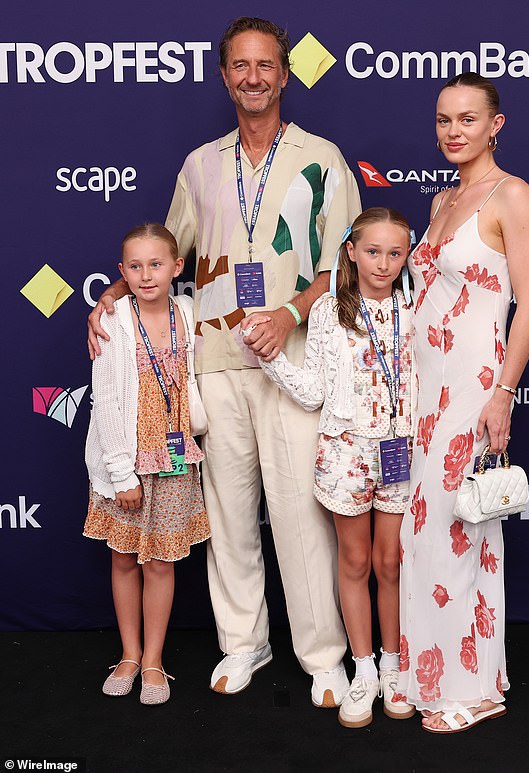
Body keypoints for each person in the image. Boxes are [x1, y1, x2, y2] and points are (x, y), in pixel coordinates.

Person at [87, 17, 360, 706]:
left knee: (301, 514)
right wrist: (112, 294)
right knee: (231, 516)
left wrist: (290, 313)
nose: (253, 76)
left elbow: (346, 265)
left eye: (265, 64)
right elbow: (166, 247)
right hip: (213, 360)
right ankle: (244, 641)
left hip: (297, 361)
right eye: (240, 65)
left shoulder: (323, 158)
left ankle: (323, 655)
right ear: (224, 76)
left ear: (284, 75)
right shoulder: (200, 164)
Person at [397, 72, 529, 733]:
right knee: (421, 530)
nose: (452, 131)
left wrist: (503, 392)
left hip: (473, 384)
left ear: (496, 124)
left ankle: (474, 686)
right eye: (441, 120)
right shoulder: (441, 200)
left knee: (460, 530)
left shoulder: (512, 195)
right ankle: (426, 669)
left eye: (466, 119)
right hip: (425, 388)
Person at [257, 208, 416, 728]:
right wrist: (269, 357)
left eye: (396, 253)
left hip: (399, 451)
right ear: (350, 251)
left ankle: (394, 669)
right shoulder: (328, 311)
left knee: (390, 562)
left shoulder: (415, 307)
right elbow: (313, 392)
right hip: (345, 454)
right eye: (373, 251)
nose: (384, 263)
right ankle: (364, 670)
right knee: (355, 561)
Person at [84, 224, 210, 705]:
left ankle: (154, 659)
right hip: (126, 463)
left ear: (177, 268)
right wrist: (121, 474)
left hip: (175, 460)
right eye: (134, 266)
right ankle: (129, 654)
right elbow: (107, 402)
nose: (145, 274)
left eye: (155, 264)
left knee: (160, 562)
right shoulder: (112, 322)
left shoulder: (188, 312)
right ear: (121, 273)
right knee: (123, 559)